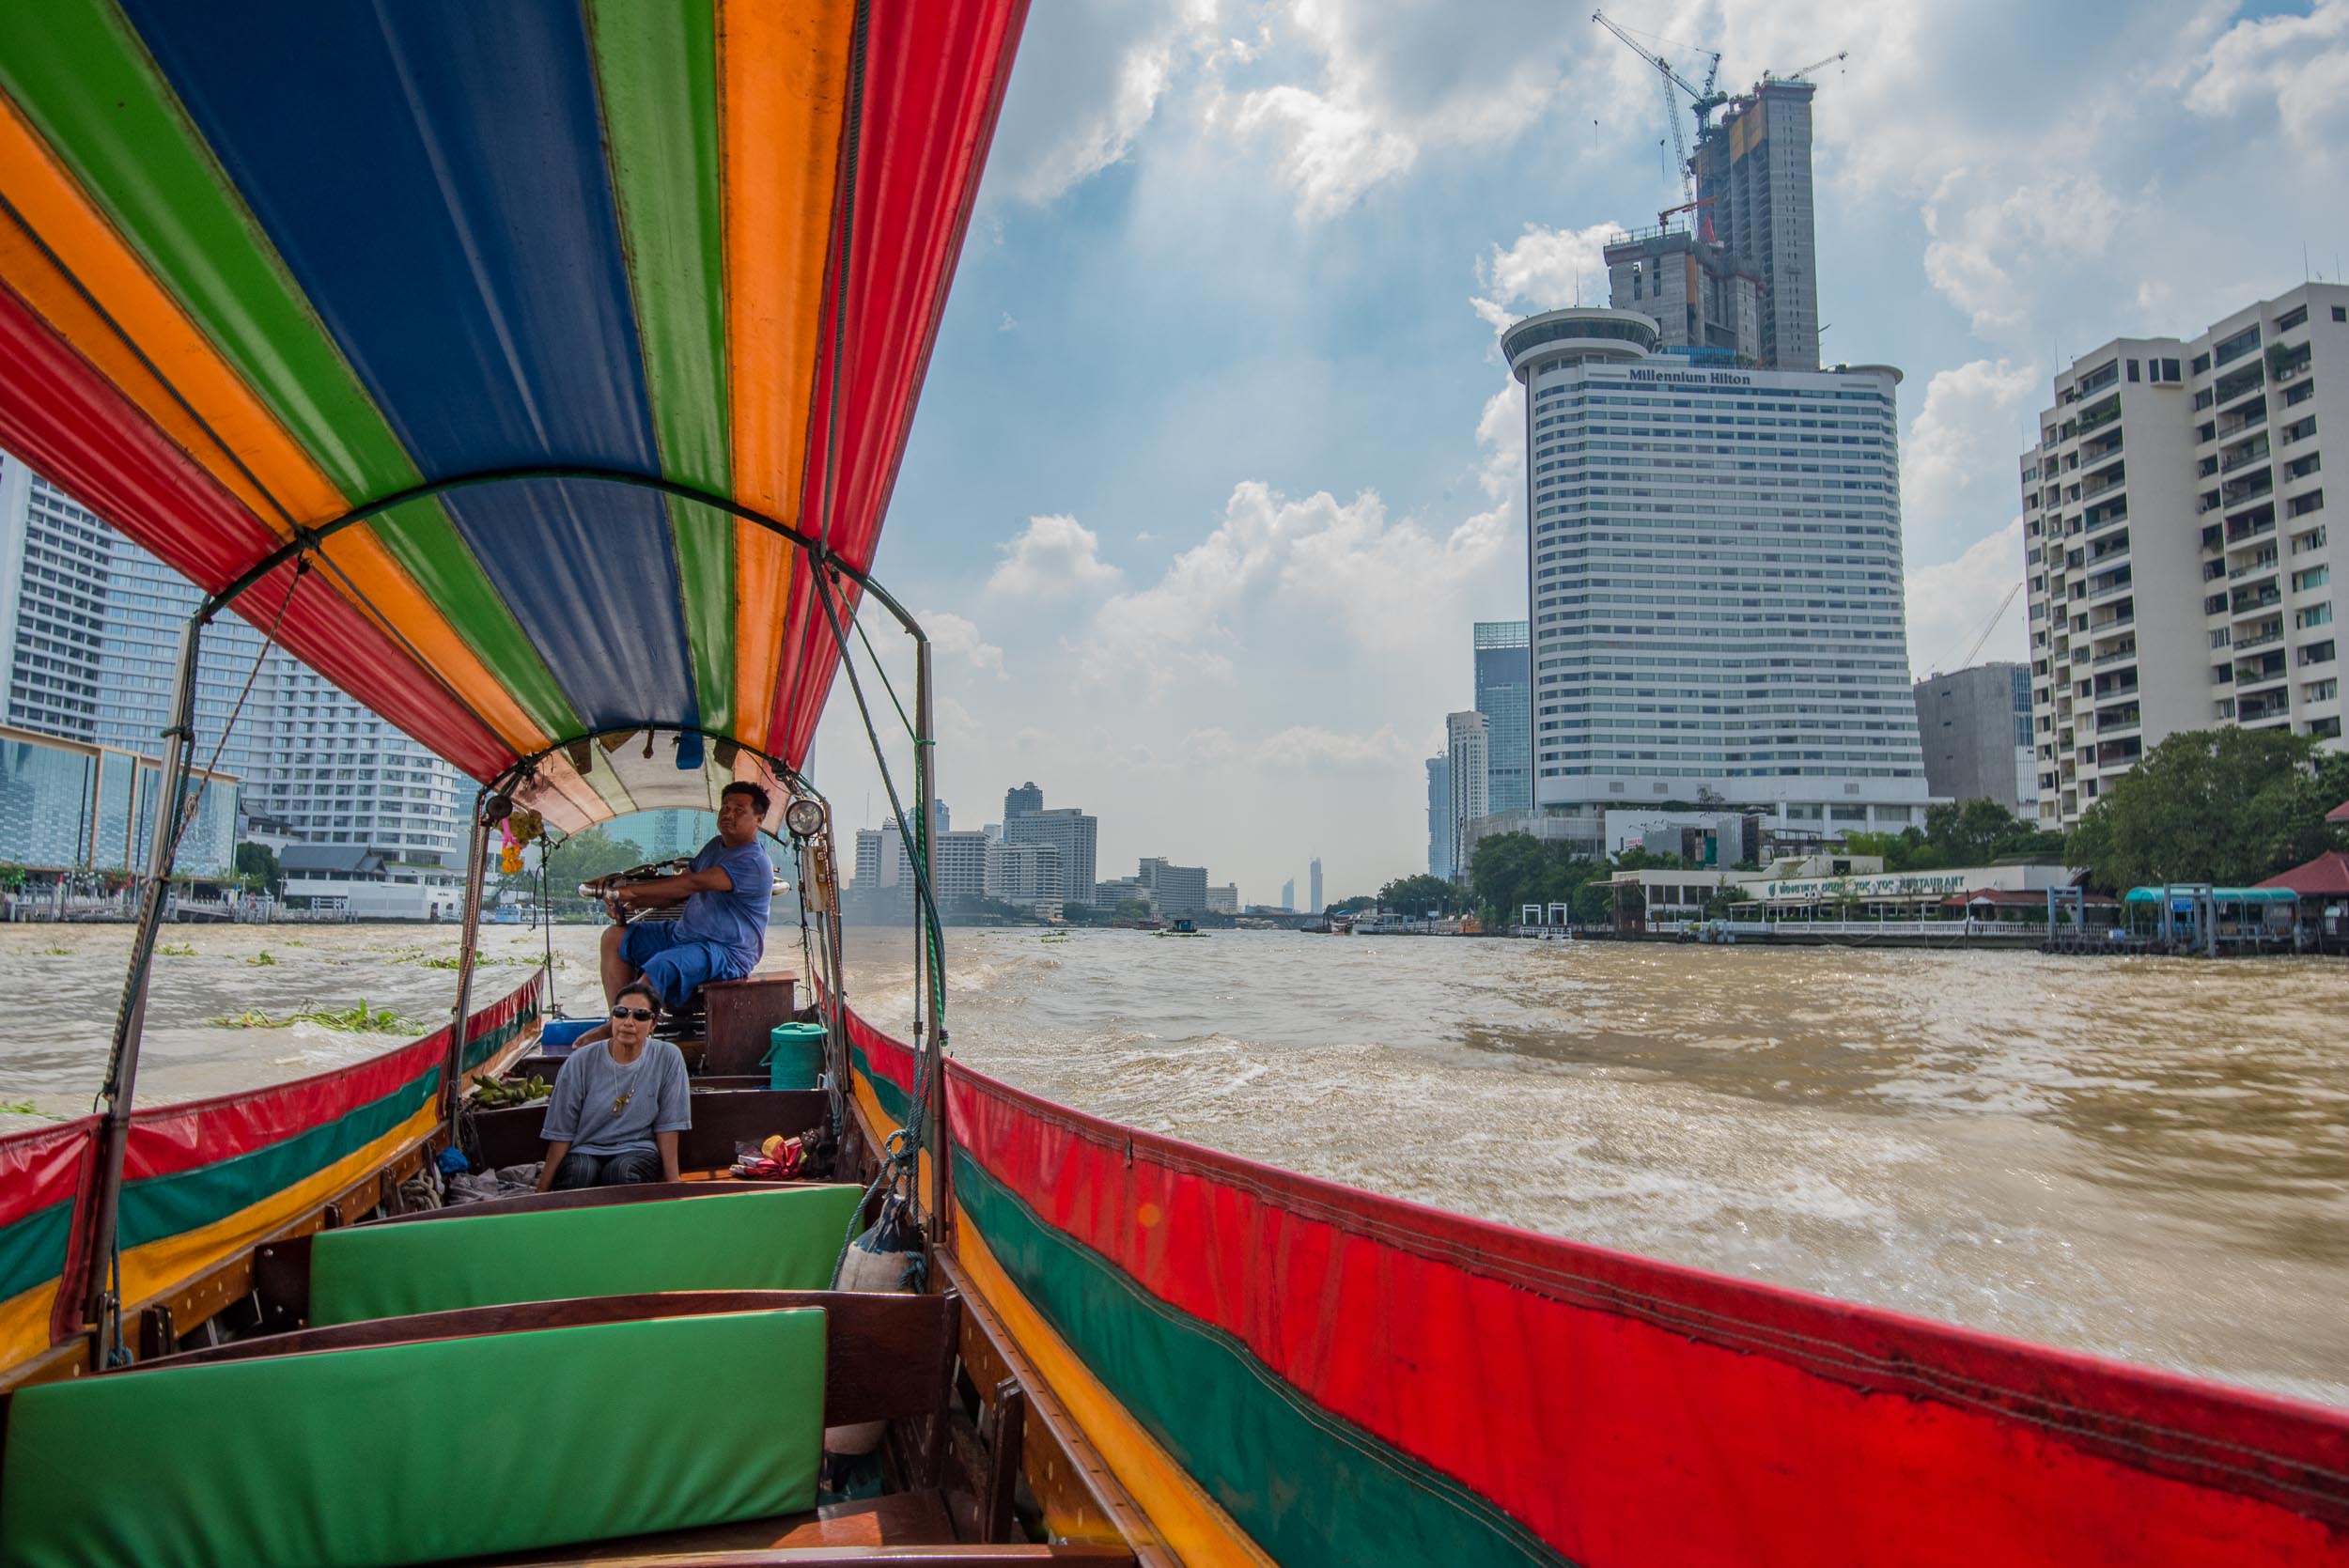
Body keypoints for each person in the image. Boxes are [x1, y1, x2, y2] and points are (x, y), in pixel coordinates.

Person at [583, 781, 775, 1042]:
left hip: (726, 951)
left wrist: (631, 891)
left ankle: (624, 1028)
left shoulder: (753, 861)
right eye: (725, 807)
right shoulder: (715, 846)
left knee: (660, 966)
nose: (728, 814)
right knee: (614, 938)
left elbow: (694, 882)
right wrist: (634, 904)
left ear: (759, 819)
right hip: (683, 935)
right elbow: (681, 891)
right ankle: (616, 1020)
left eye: (739, 809)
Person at [537, 979, 692, 1189]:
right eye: (621, 1012)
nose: (629, 1022)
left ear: (653, 1024)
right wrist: (541, 1191)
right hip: (586, 1148)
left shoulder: (668, 1057)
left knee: (620, 1172)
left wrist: (673, 1180)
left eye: (641, 1015)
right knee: (580, 1173)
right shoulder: (581, 1061)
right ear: (612, 1018)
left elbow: (669, 1124)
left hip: (638, 1149)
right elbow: (561, 1130)